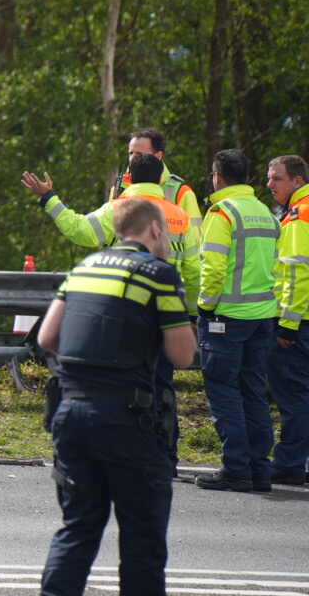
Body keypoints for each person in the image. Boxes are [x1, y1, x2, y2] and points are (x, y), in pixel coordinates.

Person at [38, 196, 196, 596]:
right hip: (129, 418)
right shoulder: (159, 274)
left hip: (71, 413)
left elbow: (47, 338)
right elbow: (182, 355)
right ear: (155, 229)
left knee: (78, 530)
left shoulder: (84, 267)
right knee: (142, 539)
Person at [194, 148, 281, 492]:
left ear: (217, 176)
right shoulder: (265, 212)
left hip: (226, 318)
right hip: (263, 317)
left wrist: (204, 306)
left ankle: (236, 469)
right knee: (254, 392)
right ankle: (260, 471)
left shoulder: (222, 213)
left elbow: (213, 268)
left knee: (225, 393)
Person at [22, 152, 200, 309]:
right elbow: (193, 272)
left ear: (130, 176)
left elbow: (78, 229)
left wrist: (48, 197)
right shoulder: (181, 216)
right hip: (167, 308)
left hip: (125, 306)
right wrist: (192, 313)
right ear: (161, 177)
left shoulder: (116, 210)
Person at [266, 154, 309, 486]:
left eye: (277, 178)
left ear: (297, 180)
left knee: (294, 397)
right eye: (269, 178)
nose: (270, 185)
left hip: (299, 323)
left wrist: (287, 325)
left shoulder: (298, 215)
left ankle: (291, 463)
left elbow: (296, 274)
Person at [119, 127, 203, 229]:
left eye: (139, 154)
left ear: (158, 156)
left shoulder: (181, 192)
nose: (132, 158)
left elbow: (196, 234)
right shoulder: (120, 186)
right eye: (131, 153)